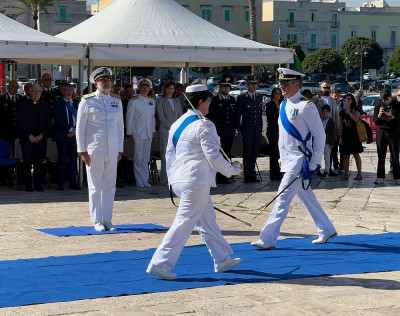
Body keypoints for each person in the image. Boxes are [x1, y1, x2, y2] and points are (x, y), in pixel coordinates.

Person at [146, 84, 242, 280]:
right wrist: (233, 170)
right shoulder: (204, 124)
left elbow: (169, 155)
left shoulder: (178, 123)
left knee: (207, 220)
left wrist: (173, 180)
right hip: (195, 181)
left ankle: (221, 258)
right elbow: (214, 157)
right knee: (184, 222)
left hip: (183, 180)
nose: (209, 104)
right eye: (208, 100)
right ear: (201, 102)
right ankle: (160, 263)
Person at [251, 68, 336, 250]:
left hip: (300, 160)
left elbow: (319, 136)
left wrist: (314, 162)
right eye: (281, 83)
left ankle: (268, 237)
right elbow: (284, 138)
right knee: (306, 196)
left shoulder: (306, 106)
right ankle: (326, 228)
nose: (282, 86)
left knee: (282, 197)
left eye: (286, 83)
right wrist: (282, 158)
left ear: (297, 85)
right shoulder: (283, 105)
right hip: (289, 159)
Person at [76, 67, 124, 232]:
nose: (106, 83)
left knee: (110, 186)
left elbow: (120, 127)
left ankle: (108, 219)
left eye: (108, 80)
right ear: (96, 83)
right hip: (94, 150)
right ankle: (97, 220)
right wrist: (82, 151)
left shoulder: (116, 102)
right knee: (95, 186)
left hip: (112, 150)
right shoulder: (87, 101)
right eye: (102, 80)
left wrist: (119, 149)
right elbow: (80, 128)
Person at [17, 84, 50, 192]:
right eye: (34, 91)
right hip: (27, 139)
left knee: (38, 163)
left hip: (40, 139)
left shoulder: (44, 105)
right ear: (29, 92)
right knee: (27, 162)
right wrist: (29, 135)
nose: (36, 94)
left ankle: (38, 184)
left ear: (41, 92)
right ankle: (28, 184)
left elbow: (47, 123)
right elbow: (20, 122)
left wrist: (41, 135)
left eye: (38, 91)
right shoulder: (22, 105)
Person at [126, 78, 156, 187]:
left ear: (149, 88)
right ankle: (139, 180)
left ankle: (145, 179)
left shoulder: (151, 101)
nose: (144, 89)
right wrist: (129, 132)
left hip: (148, 134)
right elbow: (129, 118)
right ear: (139, 88)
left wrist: (153, 130)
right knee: (138, 158)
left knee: (146, 158)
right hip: (137, 133)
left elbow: (152, 118)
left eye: (146, 87)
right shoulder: (134, 101)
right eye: (142, 87)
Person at [207, 78, 237, 184]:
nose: (226, 88)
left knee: (228, 153)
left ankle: (227, 174)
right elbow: (212, 116)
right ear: (220, 88)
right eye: (224, 86)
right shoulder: (215, 100)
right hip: (219, 132)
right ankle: (220, 176)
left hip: (230, 131)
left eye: (227, 86)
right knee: (220, 154)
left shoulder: (232, 100)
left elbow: (235, 117)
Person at [235, 75, 263, 182]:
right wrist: (239, 129)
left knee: (255, 152)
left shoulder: (259, 97)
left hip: (257, 130)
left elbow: (259, 115)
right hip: (247, 130)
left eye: (255, 84)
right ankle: (247, 174)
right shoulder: (242, 98)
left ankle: (252, 173)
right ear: (247, 85)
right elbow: (238, 116)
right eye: (252, 84)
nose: (254, 86)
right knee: (247, 153)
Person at [52, 83, 80, 191]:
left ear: (73, 91)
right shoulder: (58, 104)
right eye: (65, 90)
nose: (68, 92)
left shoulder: (77, 103)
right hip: (62, 136)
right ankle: (60, 183)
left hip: (74, 136)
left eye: (70, 90)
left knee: (73, 160)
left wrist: (74, 131)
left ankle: (73, 182)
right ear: (62, 92)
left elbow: (82, 119)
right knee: (62, 160)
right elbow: (58, 120)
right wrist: (69, 130)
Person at [156, 81, 183, 184]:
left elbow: (180, 115)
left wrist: (177, 128)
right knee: (165, 154)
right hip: (165, 130)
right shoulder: (161, 101)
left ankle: (174, 176)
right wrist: (171, 127)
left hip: (176, 131)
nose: (170, 90)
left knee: (175, 154)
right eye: (168, 88)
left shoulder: (177, 101)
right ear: (165, 89)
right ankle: (164, 177)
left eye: (172, 88)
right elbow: (161, 117)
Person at [373, 88, 400, 184]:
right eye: (383, 100)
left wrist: (392, 116)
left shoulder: (397, 105)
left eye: (387, 99)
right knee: (381, 155)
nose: (385, 102)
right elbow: (375, 121)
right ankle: (380, 177)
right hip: (382, 132)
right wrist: (380, 114)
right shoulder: (378, 106)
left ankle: (397, 176)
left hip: (394, 132)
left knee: (395, 155)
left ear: (390, 97)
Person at [339, 93, 363, 181]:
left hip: (354, 135)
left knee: (356, 154)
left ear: (352, 101)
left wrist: (349, 112)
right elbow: (340, 124)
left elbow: (356, 119)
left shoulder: (356, 109)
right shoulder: (342, 112)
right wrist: (340, 136)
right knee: (345, 155)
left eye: (349, 99)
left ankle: (359, 174)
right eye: (345, 99)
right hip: (345, 135)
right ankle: (346, 173)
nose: (347, 101)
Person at [0, 80, 24, 153]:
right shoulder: (2, 99)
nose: (15, 89)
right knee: (6, 152)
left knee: (17, 152)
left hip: (18, 131)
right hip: (5, 131)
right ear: (8, 87)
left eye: (17, 87)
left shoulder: (22, 99)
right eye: (13, 87)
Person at [265, 87, 283, 181]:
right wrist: (277, 130)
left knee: (281, 153)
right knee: (274, 153)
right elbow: (270, 120)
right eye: (276, 93)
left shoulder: (283, 104)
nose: (277, 95)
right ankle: (273, 174)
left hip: (282, 133)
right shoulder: (269, 105)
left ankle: (280, 173)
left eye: (279, 93)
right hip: (273, 132)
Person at [319, 104, 336, 178]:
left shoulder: (331, 121)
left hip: (327, 141)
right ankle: (318, 170)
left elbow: (333, 132)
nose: (325, 113)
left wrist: (332, 142)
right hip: (320, 141)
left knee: (327, 156)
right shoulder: (320, 120)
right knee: (319, 156)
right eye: (323, 111)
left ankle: (327, 170)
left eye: (326, 111)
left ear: (329, 112)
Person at [329, 87, 343, 176]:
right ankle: (335, 167)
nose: (336, 97)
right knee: (333, 149)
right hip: (333, 129)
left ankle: (342, 166)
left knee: (342, 149)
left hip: (341, 129)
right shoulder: (330, 103)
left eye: (338, 96)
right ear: (332, 95)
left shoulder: (342, 105)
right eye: (335, 96)